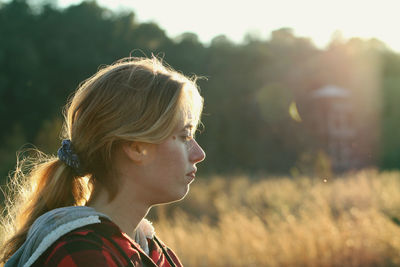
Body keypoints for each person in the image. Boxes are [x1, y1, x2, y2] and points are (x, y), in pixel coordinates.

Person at [0, 56, 206, 267]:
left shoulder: (156, 253)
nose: (199, 154)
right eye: (184, 136)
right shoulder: (84, 255)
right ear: (136, 147)